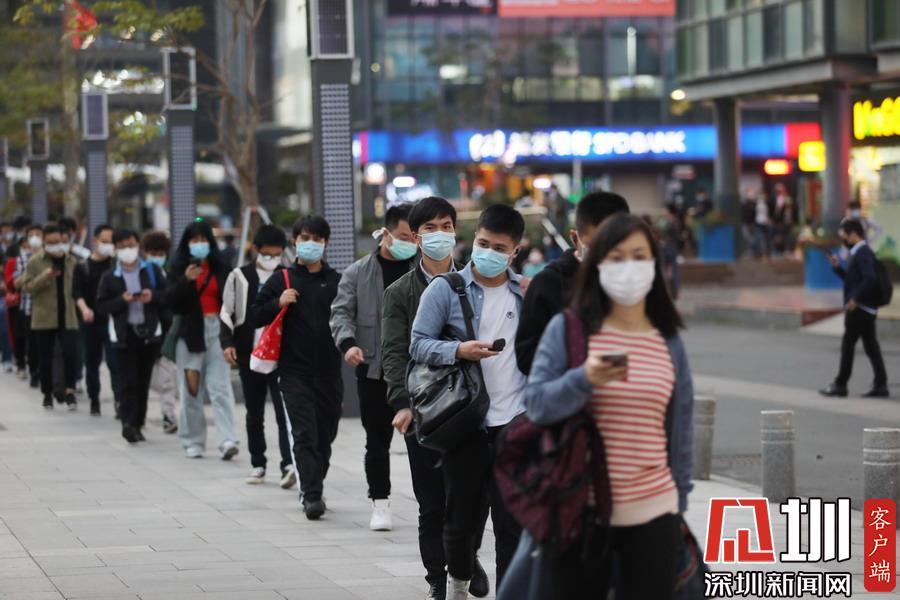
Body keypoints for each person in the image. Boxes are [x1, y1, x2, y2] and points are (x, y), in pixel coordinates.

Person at [501, 212, 695, 600]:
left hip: (654, 513)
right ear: (597, 265)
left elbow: (681, 427)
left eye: (639, 257)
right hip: (579, 511)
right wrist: (583, 379)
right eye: (617, 258)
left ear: (655, 264)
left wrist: (679, 503)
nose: (629, 268)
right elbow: (537, 404)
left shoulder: (668, 340)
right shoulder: (570, 329)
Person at [410, 203, 527, 598]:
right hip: (464, 421)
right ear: (473, 240)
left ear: (515, 251)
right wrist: (458, 350)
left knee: (511, 524)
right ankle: (459, 579)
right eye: (483, 244)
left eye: (499, 248)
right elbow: (417, 344)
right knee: (460, 521)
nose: (488, 253)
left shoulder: (525, 293)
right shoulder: (445, 289)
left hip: (514, 421)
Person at [381, 197, 490, 600]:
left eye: (446, 226)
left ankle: (466, 557)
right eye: (430, 228)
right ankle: (437, 578)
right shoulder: (399, 292)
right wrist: (401, 403)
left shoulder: (477, 284)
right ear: (415, 237)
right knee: (431, 501)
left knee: (475, 497)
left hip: (471, 406)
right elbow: (394, 352)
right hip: (425, 409)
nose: (440, 234)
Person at [330, 204, 417, 531]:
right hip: (373, 370)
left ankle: (431, 503)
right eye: (404, 236)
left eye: (414, 237)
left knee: (423, 442)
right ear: (386, 233)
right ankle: (380, 502)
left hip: (418, 371)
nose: (410, 243)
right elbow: (341, 312)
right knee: (377, 441)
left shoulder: (422, 269)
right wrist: (348, 343)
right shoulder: (358, 272)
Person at [251, 215, 343, 520]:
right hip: (294, 372)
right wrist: (278, 302)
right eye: (305, 238)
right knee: (304, 434)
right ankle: (312, 495)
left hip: (329, 372)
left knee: (325, 435)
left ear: (325, 243)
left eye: (317, 239)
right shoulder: (283, 279)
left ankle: (313, 481)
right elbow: (255, 315)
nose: (311, 244)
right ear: (294, 242)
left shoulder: (337, 281)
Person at [515, 191, 630, 375]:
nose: (605, 253)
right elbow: (526, 357)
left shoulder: (635, 281)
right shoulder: (547, 283)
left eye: (613, 245)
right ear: (575, 238)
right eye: (596, 245)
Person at [220, 225, 294, 487]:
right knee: (254, 412)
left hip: (280, 355)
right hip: (249, 353)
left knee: (284, 412)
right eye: (267, 254)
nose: (271, 259)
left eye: (276, 254)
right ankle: (258, 463)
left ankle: (288, 463)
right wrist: (227, 343)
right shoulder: (239, 276)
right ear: (256, 250)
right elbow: (227, 312)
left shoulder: (287, 276)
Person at [168, 220, 240, 460]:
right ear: (187, 243)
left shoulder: (221, 268)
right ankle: (193, 441)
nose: (199, 244)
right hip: (190, 334)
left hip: (217, 331)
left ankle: (227, 439)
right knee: (191, 390)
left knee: (220, 387)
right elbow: (169, 302)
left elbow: (232, 302)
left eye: (203, 240)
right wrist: (185, 280)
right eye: (194, 240)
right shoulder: (178, 268)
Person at [96, 229, 167, 443]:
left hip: (149, 334)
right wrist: (122, 300)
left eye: (131, 245)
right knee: (128, 382)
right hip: (123, 335)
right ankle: (128, 423)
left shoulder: (152, 271)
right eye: (123, 246)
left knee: (143, 382)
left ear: (138, 246)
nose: (128, 250)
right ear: (116, 249)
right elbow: (101, 306)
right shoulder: (110, 277)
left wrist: (151, 296)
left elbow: (167, 296)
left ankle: (138, 422)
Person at [820, 219, 889, 399]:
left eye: (844, 235)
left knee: (848, 344)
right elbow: (854, 281)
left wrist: (855, 299)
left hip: (859, 309)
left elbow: (870, 278)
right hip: (866, 309)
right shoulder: (859, 252)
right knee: (871, 346)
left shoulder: (862, 252)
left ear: (853, 234)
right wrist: (837, 268)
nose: (843, 239)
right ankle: (881, 384)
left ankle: (841, 384)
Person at [20, 223, 80, 410]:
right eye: (51, 243)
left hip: (68, 316)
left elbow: (79, 287)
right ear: (44, 243)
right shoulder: (35, 262)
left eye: (58, 242)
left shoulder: (72, 261)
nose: (55, 246)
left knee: (71, 354)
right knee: (45, 358)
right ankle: (47, 393)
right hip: (44, 317)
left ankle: (70, 391)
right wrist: (45, 276)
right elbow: (27, 287)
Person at [74, 224, 118, 416]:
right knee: (91, 363)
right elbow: (76, 293)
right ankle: (94, 399)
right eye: (105, 241)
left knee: (115, 363)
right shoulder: (83, 266)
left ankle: (119, 401)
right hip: (90, 322)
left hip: (112, 322)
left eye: (111, 242)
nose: (108, 245)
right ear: (95, 241)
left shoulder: (116, 266)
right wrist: (84, 309)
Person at [142, 231, 179, 433]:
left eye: (161, 253)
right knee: (144, 376)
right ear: (145, 252)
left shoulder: (170, 274)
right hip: (145, 332)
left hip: (165, 332)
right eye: (153, 253)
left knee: (167, 378)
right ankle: (137, 414)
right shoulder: (140, 272)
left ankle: (168, 414)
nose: (157, 257)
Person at [13, 226, 43, 387]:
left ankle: (46, 373)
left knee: (45, 343)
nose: (35, 238)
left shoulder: (50, 257)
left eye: (38, 235)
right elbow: (16, 283)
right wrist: (30, 270)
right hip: (28, 306)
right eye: (31, 235)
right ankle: (34, 372)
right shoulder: (22, 258)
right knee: (31, 343)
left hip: (47, 308)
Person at [741, 188, 759, 259]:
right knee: (747, 238)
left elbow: (756, 213)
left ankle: (753, 253)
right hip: (745, 223)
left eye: (751, 194)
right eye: (749, 194)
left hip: (753, 223)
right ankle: (750, 253)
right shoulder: (744, 203)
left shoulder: (755, 204)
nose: (751, 195)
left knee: (753, 238)